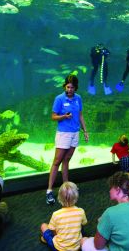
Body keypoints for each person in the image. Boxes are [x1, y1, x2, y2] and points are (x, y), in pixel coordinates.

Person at [47, 74, 89, 205]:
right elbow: (53, 117)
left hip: (75, 133)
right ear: (65, 86)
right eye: (68, 87)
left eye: (72, 87)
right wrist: (64, 116)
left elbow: (80, 115)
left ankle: (66, 186)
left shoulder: (78, 98)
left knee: (66, 160)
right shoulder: (59, 99)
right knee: (57, 161)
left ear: (76, 88)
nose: (69, 89)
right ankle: (49, 191)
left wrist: (85, 131)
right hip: (63, 134)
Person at [40, 182, 87, 251]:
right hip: (77, 247)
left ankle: (45, 239)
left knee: (43, 226)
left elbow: (53, 231)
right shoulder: (81, 211)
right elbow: (84, 224)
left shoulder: (56, 214)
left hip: (59, 248)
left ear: (59, 198)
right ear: (76, 197)